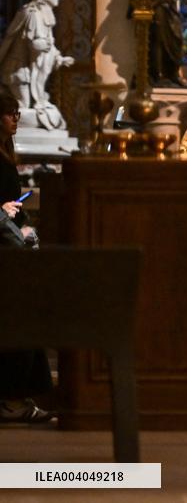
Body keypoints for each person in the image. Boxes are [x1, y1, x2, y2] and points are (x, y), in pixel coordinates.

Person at [0, 93, 52, 423]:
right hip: (3, 250)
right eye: (9, 113)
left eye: (17, 113)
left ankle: (17, 395)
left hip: (10, 244)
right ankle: (11, 398)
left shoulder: (6, 154)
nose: (15, 119)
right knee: (20, 321)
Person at [0, 0, 75, 130]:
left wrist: (59, 58)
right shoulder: (31, 13)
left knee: (33, 108)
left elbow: (48, 45)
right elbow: (33, 43)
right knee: (23, 107)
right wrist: (40, 46)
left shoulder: (45, 14)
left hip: (29, 72)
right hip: (18, 70)